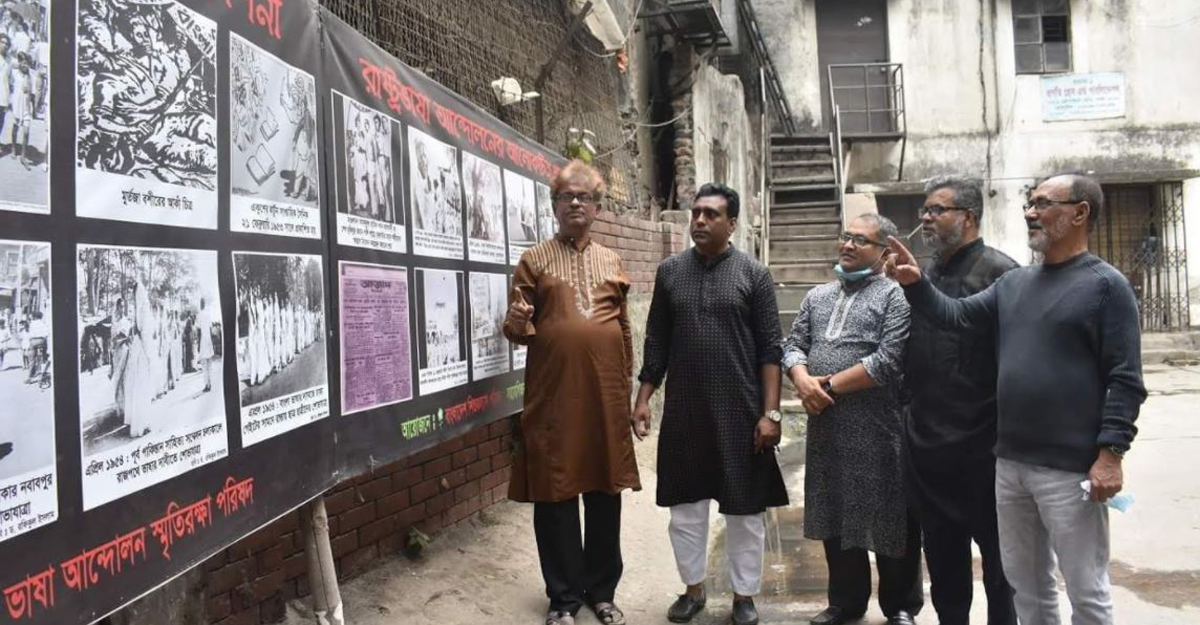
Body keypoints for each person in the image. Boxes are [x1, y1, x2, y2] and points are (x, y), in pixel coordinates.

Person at [885, 173, 1147, 625]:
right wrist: (916, 283)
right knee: (1028, 587)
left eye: (1043, 203)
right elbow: (955, 316)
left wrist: (1111, 454)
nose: (1030, 212)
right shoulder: (1015, 283)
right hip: (1009, 464)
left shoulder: (1106, 286)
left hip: (1068, 468)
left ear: (1080, 213)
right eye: (1029, 203)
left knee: (1086, 590)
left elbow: (1125, 379)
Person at [633, 183, 787, 625]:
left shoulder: (754, 274)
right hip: (685, 412)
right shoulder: (670, 272)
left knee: (744, 510)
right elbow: (656, 341)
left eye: (711, 214)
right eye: (696, 212)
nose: (699, 220)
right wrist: (643, 399)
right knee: (685, 509)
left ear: (732, 223)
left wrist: (771, 414)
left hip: (741, 413)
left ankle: (744, 596)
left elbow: (770, 351)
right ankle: (693, 589)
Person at [503, 160, 640, 625]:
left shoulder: (612, 260)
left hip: (604, 397)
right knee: (555, 492)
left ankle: (601, 592)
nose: (576, 203)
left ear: (597, 207)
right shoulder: (534, 259)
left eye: (584, 196)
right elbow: (516, 328)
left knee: (604, 490)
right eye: (566, 196)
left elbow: (623, 327)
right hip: (553, 397)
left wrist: (626, 389)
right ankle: (563, 598)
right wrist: (516, 322)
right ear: (555, 206)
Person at [783, 214, 922, 625]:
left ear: (884, 252)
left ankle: (900, 605)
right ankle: (846, 602)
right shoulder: (817, 295)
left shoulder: (895, 296)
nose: (847, 245)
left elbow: (888, 361)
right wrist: (801, 378)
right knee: (835, 511)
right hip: (827, 427)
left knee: (891, 515)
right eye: (846, 236)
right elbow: (793, 345)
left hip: (879, 427)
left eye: (860, 240)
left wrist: (824, 387)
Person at [905, 176, 1018, 625]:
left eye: (937, 210)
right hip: (930, 447)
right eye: (925, 211)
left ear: (968, 217)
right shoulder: (926, 273)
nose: (926, 219)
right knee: (944, 564)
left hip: (985, 449)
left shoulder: (1002, 274)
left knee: (1002, 568)